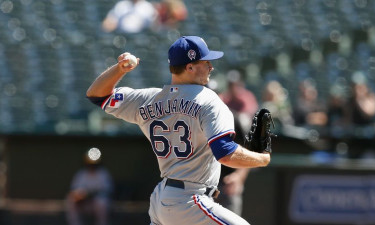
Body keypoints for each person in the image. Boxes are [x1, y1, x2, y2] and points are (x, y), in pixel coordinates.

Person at [86, 36, 271, 224]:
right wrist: (262, 159)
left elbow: (96, 95)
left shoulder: (148, 99)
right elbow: (224, 153)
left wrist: (119, 69)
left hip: (162, 198)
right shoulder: (208, 100)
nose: (211, 67)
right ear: (190, 67)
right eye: (205, 62)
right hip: (189, 200)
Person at [217, 70, 257, 216]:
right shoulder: (194, 121)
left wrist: (240, 176)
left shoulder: (237, 116)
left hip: (228, 180)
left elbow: (251, 149)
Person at [66, 148, 114, 225]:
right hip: (84, 204)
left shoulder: (103, 174)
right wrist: (79, 196)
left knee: (101, 202)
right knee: (70, 200)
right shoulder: (81, 173)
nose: (91, 165)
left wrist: (90, 195)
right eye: (90, 163)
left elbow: (107, 190)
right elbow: (74, 189)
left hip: (96, 204)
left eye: (93, 163)